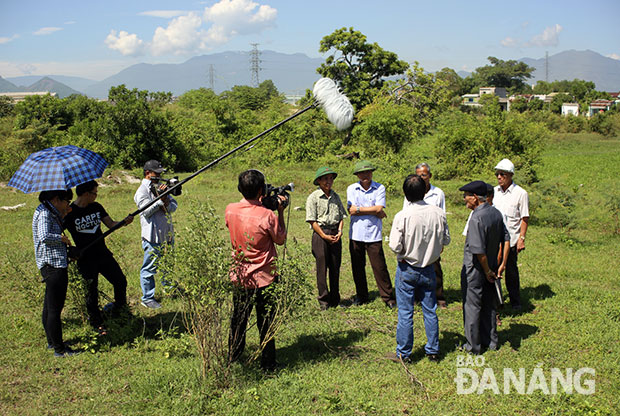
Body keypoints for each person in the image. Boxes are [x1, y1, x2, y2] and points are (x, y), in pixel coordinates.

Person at [225, 169, 287, 371]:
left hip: (240, 274)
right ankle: (268, 364)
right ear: (261, 190)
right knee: (266, 320)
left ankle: (233, 357)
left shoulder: (230, 210)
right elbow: (280, 239)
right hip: (265, 277)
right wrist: (279, 210)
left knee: (239, 319)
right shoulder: (267, 215)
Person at [388, 175, 450, 362]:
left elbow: (394, 245)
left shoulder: (403, 215)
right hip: (429, 268)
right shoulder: (438, 213)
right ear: (425, 191)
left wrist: (406, 250)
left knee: (406, 312)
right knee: (430, 310)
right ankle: (432, 350)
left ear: (405, 194)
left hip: (407, 268)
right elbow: (446, 240)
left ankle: (404, 353)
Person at [64, 180, 133, 332]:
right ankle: (96, 322)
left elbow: (111, 224)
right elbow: (59, 233)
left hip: (103, 254)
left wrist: (124, 222)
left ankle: (120, 311)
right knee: (91, 291)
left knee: (120, 281)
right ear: (86, 193)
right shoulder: (69, 212)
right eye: (94, 193)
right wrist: (70, 248)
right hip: (85, 258)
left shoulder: (96, 207)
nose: (96, 196)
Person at [459, 181, 510, 354]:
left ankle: (473, 346)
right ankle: (491, 341)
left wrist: (487, 269)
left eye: (466, 195)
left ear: (475, 198)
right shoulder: (495, 213)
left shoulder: (476, 218)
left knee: (472, 305)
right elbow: (506, 238)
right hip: (492, 266)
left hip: (476, 269)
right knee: (489, 304)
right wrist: (501, 264)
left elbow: (478, 251)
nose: (464, 199)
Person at [32, 189, 80, 357]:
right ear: (55, 199)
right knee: (54, 309)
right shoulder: (45, 213)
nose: (68, 203)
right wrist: (62, 238)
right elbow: (44, 235)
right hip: (53, 264)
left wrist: (64, 213)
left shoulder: (48, 211)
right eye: (66, 200)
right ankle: (59, 349)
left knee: (48, 306)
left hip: (52, 262)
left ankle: (52, 342)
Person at [347, 160, 396, 308]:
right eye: (361, 173)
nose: (365, 175)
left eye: (368, 172)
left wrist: (360, 210)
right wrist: (374, 210)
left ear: (372, 172)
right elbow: (351, 210)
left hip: (374, 234)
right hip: (356, 233)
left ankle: (388, 297)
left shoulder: (379, 188)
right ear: (357, 175)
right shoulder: (352, 188)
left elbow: (379, 208)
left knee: (379, 266)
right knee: (358, 266)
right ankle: (362, 296)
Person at [134, 160, 178, 309]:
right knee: (149, 268)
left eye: (160, 173)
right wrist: (160, 200)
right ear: (148, 173)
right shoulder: (142, 191)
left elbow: (173, 207)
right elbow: (145, 211)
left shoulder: (160, 187)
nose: (159, 176)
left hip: (166, 234)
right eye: (156, 173)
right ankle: (147, 297)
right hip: (152, 236)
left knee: (168, 264)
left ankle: (169, 287)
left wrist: (165, 199)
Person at [403, 162, 447, 308]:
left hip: (432, 234)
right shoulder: (410, 191)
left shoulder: (438, 193)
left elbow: (443, 216)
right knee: (414, 265)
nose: (421, 178)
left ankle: (438, 296)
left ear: (430, 176)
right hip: (415, 235)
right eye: (418, 175)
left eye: (424, 175)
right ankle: (416, 296)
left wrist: (441, 240)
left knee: (434, 265)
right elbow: (405, 215)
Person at [306, 166, 347, 310]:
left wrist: (340, 231)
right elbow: (312, 220)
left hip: (335, 233)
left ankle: (335, 299)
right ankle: (324, 300)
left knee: (335, 267)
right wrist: (324, 236)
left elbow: (342, 216)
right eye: (325, 179)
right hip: (320, 234)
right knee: (321, 268)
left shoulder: (336, 196)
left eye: (331, 178)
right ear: (318, 181)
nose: (328, 181)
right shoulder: (313, 197)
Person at [492, 159, 529, 311]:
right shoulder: (494, 192)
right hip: (496, 238)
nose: (499, 177)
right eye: (497, 174)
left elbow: (524, 218)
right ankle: (497, 300)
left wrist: (521, 238)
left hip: (512, 238)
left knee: (511, 270)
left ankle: (515, 301)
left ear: (510, 175)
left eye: (503, 174)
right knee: (494, 269)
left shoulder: (520, 193)